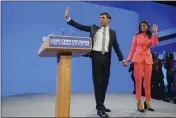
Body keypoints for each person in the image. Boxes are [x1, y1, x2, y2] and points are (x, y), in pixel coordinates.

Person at [65, 7, 127, 117]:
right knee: (97, 83)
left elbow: (116, 47)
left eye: (103, 18)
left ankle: (101, 104)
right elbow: (80, 26)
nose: (101, 20)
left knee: (105, 83)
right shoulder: (94, 28)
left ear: (109, 19)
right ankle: (99, 108)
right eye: (100, 18)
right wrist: (69, 19)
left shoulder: (113, 33)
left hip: (107, 59)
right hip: (96, 57)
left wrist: (122, 59)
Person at [125, 20, 159, 112]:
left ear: (147, 26)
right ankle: (139, 102)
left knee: (148, 82)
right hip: (138, 59)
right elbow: (132, 49)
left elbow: (155, 44)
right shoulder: (136, 36)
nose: (142, 27)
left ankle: (147, 102)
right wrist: (128, 60)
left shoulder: (150, 36)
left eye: (144, 26)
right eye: (141, 26)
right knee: (138, 81)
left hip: (148, 60)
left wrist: (155, 32)